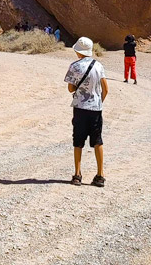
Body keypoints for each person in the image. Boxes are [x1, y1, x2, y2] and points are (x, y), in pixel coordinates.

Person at [63, 37, 108, 188]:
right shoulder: (99, 65)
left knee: (78, 141)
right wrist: (98, 102)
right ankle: (100, 175)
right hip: (96, 108)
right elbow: (105, 89)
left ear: (77, 51)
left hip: (80, 108)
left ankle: (77, 174)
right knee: (97, 141)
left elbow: (70, 88)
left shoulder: (75, 66)